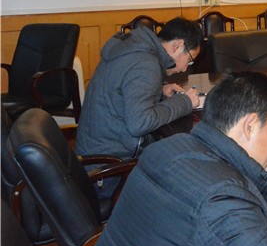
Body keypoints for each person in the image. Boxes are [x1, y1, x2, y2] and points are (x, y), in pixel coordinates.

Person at [90, 72, 267, 246]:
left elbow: (241, 181)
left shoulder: (170, 147)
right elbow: (227, 196)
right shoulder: (221, 202)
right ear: (250, 125)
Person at [77, 18, 203, 159]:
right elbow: (140, 124)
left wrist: (159, 89)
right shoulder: (146, 65)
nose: (185, 68)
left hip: (93, 146)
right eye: (189, 60)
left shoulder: (134, 49)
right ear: (177, 46)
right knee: (186, 156)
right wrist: (185, 102)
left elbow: (124, 87)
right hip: (110, 161)